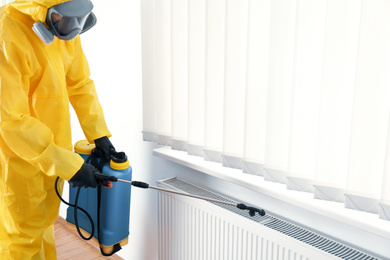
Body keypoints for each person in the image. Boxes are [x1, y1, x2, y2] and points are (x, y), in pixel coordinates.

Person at [0, 0, 115, 258]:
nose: (73, 28)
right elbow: (10, 120)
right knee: (21, 237)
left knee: (44, 226)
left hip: (54, 154)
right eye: (68, 19)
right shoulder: (7, 32)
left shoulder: (63, 25)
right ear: (43, 9)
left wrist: (98, 134)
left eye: (79, 19)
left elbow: (79, 83)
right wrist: (69, 165)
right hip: (17, 161)